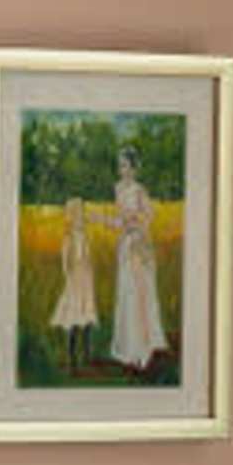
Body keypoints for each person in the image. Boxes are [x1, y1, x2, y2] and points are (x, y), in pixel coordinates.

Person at [108, 139, 166, 376]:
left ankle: (142, 348)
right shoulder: (118, 189)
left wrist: (136, 224)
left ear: (134, 167)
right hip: (125, 245)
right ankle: (127, 348)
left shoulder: (140, 190)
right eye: (121, 166)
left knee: (140, 294)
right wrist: (111, 223)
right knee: (126, 293)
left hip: (139, 245)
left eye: (126, 166)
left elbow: (148, 216)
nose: (123, 170)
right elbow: (120, 220)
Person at [51, 195, 101, 370]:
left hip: (86, 278)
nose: (81, 216)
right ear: (72, 216)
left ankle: (87, 354)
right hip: (75, 280)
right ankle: (72, 357)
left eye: (82, 212)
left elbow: (87, 258)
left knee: (86, 315)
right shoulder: (69, 237)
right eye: (78, 213)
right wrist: (68, 276)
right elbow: (65, 260)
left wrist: (89, 272)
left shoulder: (84, 235)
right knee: (73, 316)